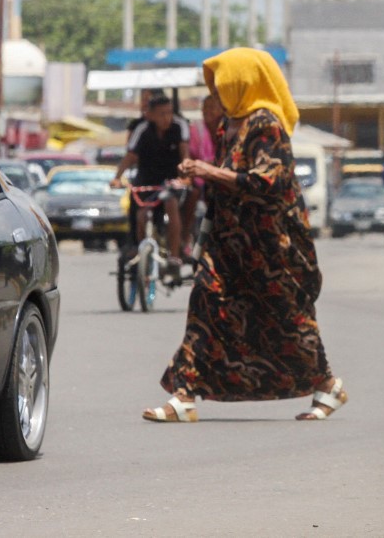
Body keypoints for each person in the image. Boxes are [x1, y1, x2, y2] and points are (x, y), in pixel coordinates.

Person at [142, 47, 347, 423]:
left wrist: (205, 169)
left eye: (220, 84)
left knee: (287, 317)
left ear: (243, 83)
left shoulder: (266, 123)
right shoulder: (227, 125)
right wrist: (197, 178)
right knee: (204, 303)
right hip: (227, 243)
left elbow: (266, 181)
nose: (214, 93)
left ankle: (328, 383)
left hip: (270, 247)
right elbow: (224, 178)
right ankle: (184, 396)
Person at [111, 92, 191, 278]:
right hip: (146, 180)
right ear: (151, 114)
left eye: (169, 112)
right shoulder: (142, 130)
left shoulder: (180, 127)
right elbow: (130, 157)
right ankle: (139, 248)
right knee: (141, 213)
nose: (166, 118)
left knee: (171, 204)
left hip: (171, 180)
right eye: (162, 113)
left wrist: (185, 178)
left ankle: (174, 256)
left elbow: (185, 156)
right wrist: (117, 177)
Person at [181, 94, 225, 253]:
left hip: (220, 179)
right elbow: (188, 155)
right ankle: (185, 238)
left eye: (212, 108)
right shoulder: (196, 129)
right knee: (191, 195)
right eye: (205, 108)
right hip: (199, 180)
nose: (208, 112)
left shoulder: (228, 128)